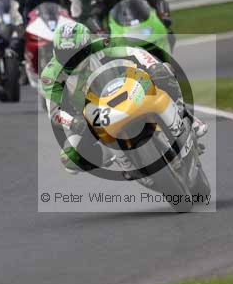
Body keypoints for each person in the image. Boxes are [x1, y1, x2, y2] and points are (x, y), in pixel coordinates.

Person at [40, 22, 207, 176]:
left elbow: (134, 51)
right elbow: (54, 112)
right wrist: (73, 122)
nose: (71, 60)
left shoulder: (101, 45)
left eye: (76, 54)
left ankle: (187, 116)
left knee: (163, 72)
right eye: (65, 54)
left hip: (122, 87)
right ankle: (114, 156)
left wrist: (153, 66)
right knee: (70, 160)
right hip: (87, 114)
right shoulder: (50, 74)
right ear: (55, 51)